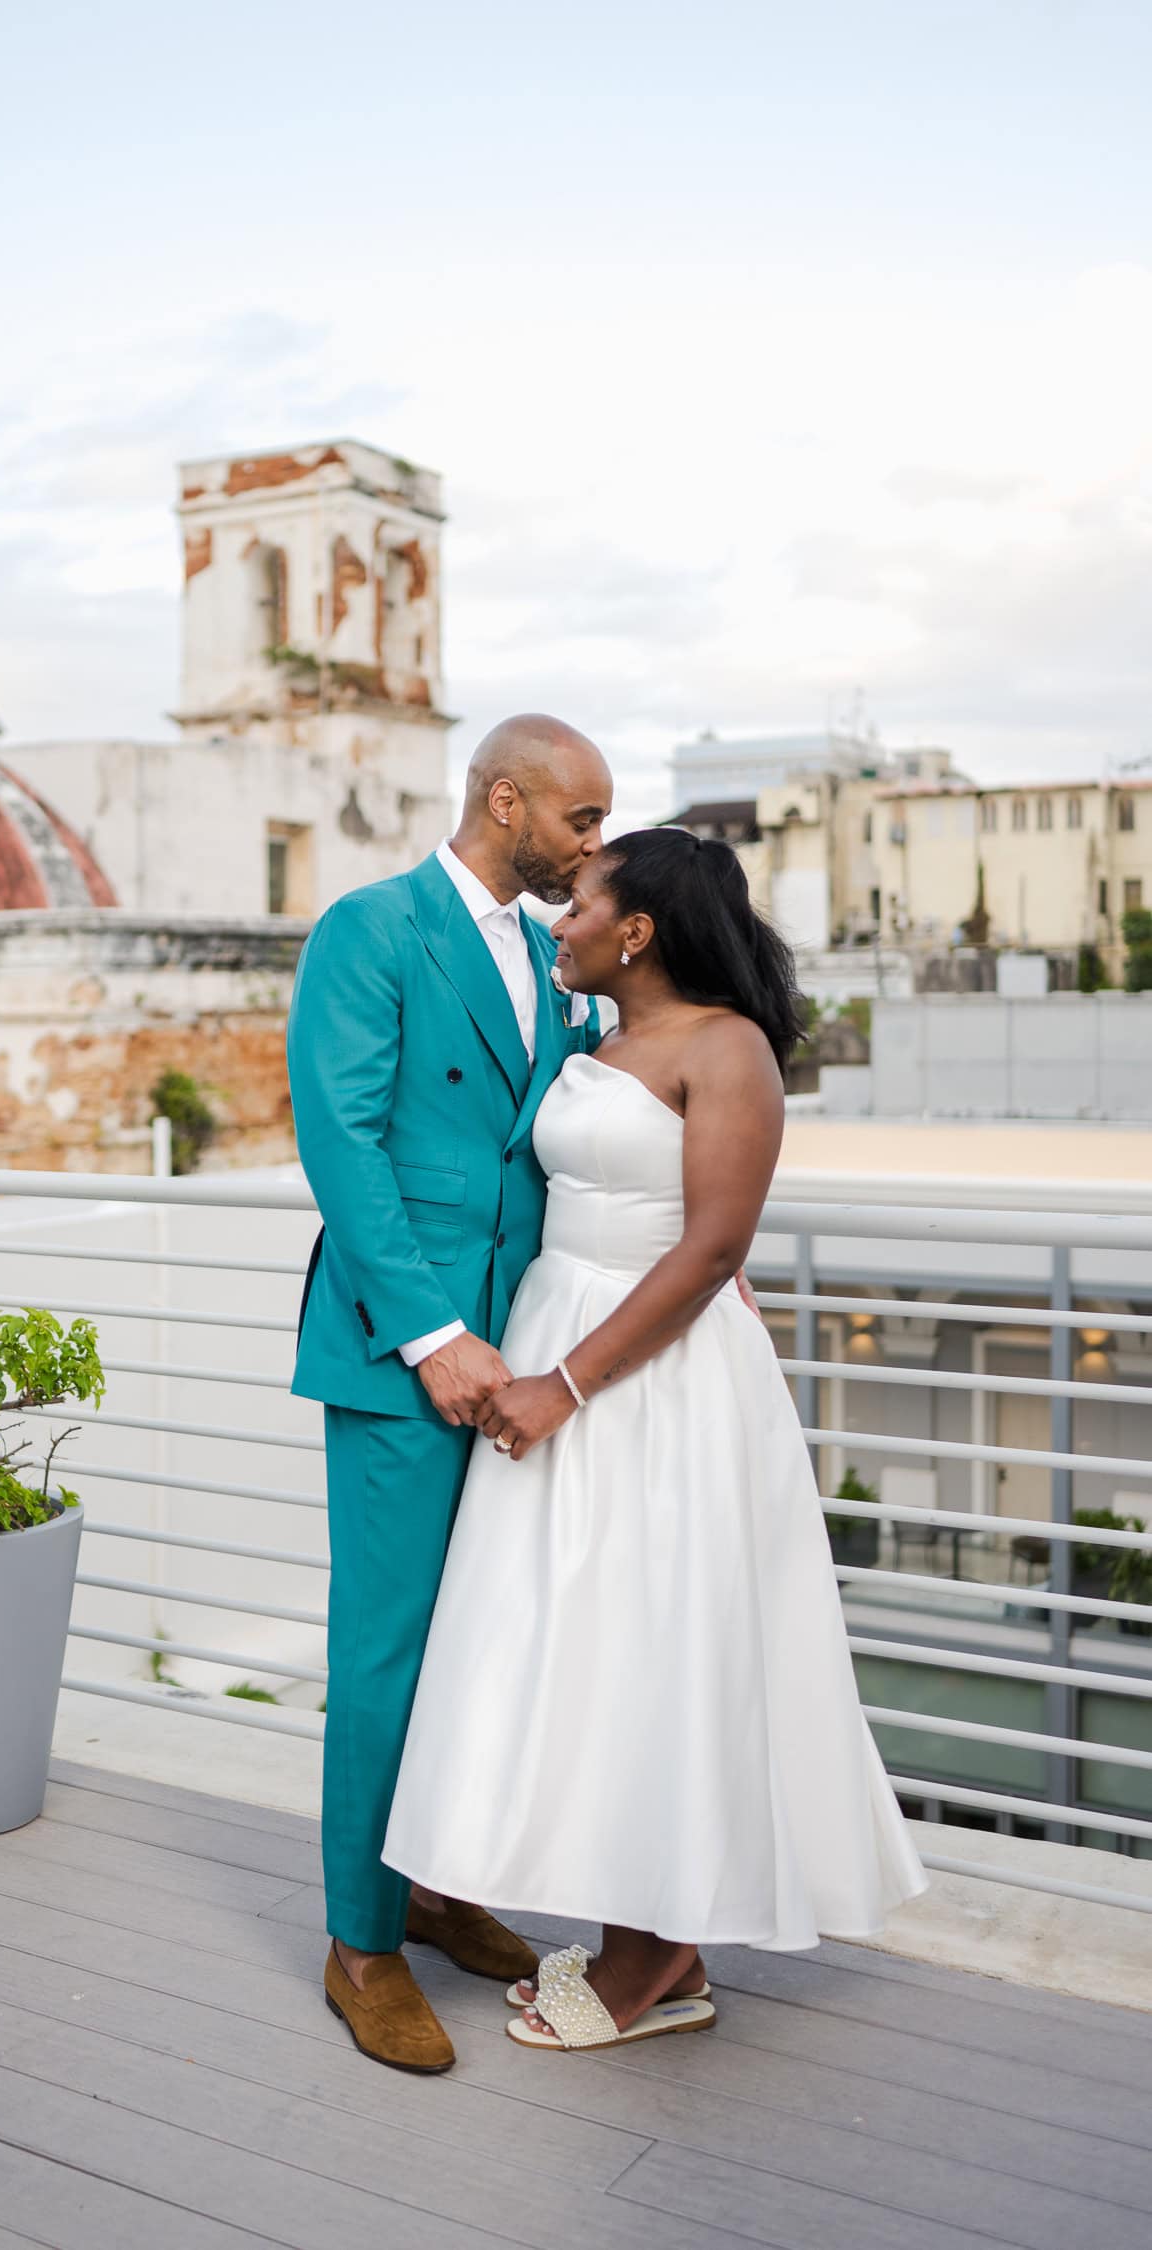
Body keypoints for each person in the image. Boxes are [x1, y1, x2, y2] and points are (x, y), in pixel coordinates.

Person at [384, 827, 927, 2054]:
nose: (558, 919)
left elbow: (713, 1251)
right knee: (583, 1645)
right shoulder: (605, 1040)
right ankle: (647, 1932)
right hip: (560, 1335)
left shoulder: (727, 1049)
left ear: (636, 931)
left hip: (647, 1381)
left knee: (659, 1639)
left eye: (578, 904)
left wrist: (563, 1386)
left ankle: (655, 1960)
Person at [286, 713, 613, 2073]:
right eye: (581, 822)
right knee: (385, 1647)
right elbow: (341, 1136)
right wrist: (432, 1335)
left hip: (525, 1352)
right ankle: (361, 1944)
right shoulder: (370, 928)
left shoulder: (561, 951)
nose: (597, 847)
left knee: (482, 1635)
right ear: (506, 799)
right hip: (398, 1350)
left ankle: (434, 1878)